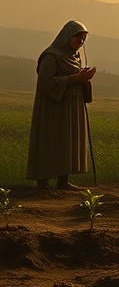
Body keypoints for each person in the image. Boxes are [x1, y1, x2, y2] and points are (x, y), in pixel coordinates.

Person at [26, 20, 97, 190]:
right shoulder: (51, 56)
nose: (80, 42)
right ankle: (42, 181)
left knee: (68, 142)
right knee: (51, 140)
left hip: (72, 106)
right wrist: (77, 78)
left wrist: (85, 80)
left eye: (83, 39)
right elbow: (46, 82)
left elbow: (76, 80)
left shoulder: (75, 58)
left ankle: (63, 181)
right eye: (77, 38)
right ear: (67, 37)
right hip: (53, 108)